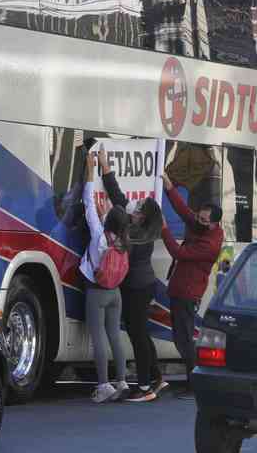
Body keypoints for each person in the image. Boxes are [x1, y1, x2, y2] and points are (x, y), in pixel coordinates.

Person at [98, 146, 168, 402]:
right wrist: (106, 167)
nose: (133, 211)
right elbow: (118, 197)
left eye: (137, 210)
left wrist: (100, 216)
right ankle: (156, 376)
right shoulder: (145, 229)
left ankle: (145, 387)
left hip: (137, 288)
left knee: (137, 334)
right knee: (141, 331)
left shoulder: (137, 235)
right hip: (143, 285)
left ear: (143, 217)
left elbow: (119, 240)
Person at [160, 173, 224, 399]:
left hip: (187, 294)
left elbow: (179, 252)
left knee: (184, 340)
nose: (199, 220)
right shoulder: (202, 226)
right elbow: (184, 211)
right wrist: (168, 186)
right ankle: (193, 380)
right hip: (180, 290)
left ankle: (194, 383)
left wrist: (164, 230)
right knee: (181, 337)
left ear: (215, 224)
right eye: (200, 217)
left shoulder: (210, 243)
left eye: (205, 220)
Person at [79, 151, 129, 403]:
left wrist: (90, 170)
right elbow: (111, 222)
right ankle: (121, 380)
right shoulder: (123, 240)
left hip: (96, 291)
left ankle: (103, 385)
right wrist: (105, 214)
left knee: (98, 336)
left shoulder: (99, 234)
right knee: (114, 335)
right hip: (115, 293)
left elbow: (87, 200)